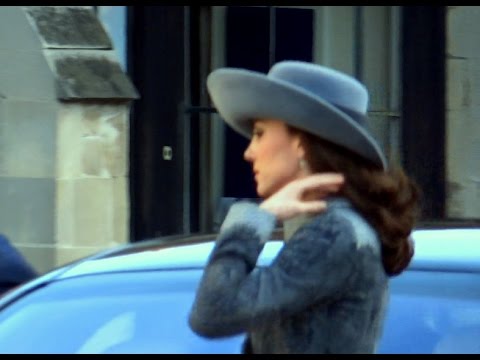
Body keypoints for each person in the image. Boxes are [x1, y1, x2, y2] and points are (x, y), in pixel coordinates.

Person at [188, 61, 421, 354]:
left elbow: (212, 312)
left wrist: (256, 218)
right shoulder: (336, 227)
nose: (249, 152)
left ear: (300, 142)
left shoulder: (335, 233)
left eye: (260, 134)